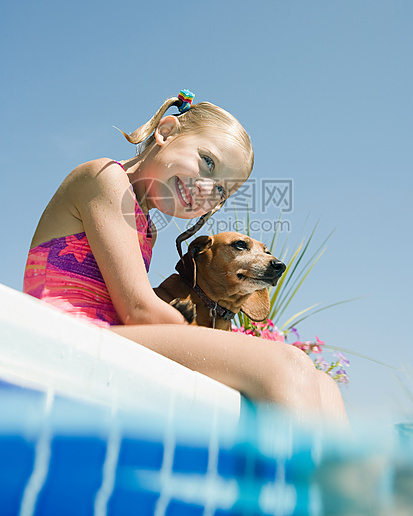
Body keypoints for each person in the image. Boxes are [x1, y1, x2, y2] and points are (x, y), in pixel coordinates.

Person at [24, 91, 348, 424]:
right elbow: (138, 310)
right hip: (69, 335)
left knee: (325, 386)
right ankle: (286, 476)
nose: (207, 190)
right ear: (165, 131)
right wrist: (212, 339)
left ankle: (333, 477)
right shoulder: (103, 177)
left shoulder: (146, 226)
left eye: (221, 190)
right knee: (286, 364)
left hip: (104, 337)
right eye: (207, 162)